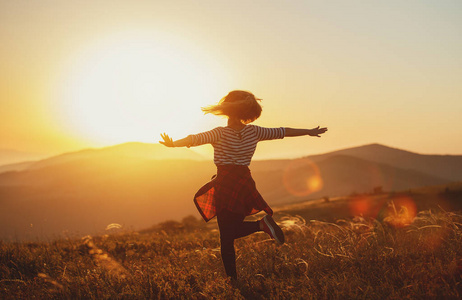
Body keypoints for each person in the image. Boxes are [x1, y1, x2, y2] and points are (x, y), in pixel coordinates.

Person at [159, 90, 327, 280]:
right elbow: (283, 131)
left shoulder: (219, 133)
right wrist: (309, 132)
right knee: (232, 229)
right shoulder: (254, 131)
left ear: (227, 110)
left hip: (226, 183)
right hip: (245, 183)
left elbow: (195, 138)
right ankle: (258, 230)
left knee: (226, 236)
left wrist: (173, 144)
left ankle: (239, 268)